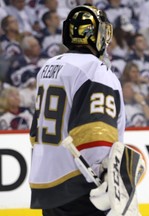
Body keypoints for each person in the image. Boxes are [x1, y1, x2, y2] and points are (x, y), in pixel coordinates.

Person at [28, 5, 135, 216]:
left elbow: (36, 131)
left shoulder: (49, 66)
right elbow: (97, 134)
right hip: (79, 184)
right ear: (99, 34)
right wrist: (105, 180)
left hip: (46, 180)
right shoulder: (95, 70)